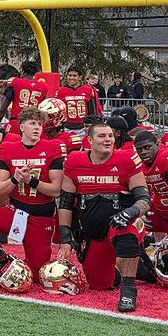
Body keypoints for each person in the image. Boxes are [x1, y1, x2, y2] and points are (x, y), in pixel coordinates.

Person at [57, 121, 149, 312]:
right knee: (99, 284)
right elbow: (66, 203)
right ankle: (126, 270)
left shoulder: (126, 159)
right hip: (92, 229)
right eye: (102, 136)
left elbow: (144, 200)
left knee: (125, 231)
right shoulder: (74, 161)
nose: (108, 140)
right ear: (89, 139)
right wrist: (67, 238)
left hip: (123, 221)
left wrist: (130, 212)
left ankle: (128, 290)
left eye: (110, 136)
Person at [0, 107, 66, 291]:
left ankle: (12, 263)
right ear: (21, 127)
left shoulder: (52, 147)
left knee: (38, 275)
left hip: (41, 218)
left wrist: (31, 180)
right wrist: (15, 179)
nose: (37, 127)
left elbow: (56, 191)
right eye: (32, 123)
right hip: (16, 212)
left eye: (39, 124)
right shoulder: (8, 148)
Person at [0, 60, 49, 134]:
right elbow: (43, 108)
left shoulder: (15, 83)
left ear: (23, 72)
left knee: (11, 143)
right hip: (33, 124)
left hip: (16, 123)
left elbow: (3, 109)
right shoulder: (43, 87)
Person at [55, 66, 99, 136]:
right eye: (69, 75)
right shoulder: (61, 91)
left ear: (80, 77)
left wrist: (91, 125)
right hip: (67, 126)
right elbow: (58, 112)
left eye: (74, 75)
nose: (71, 78)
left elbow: (92, 111)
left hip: (83, 127)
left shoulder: (87, 90)